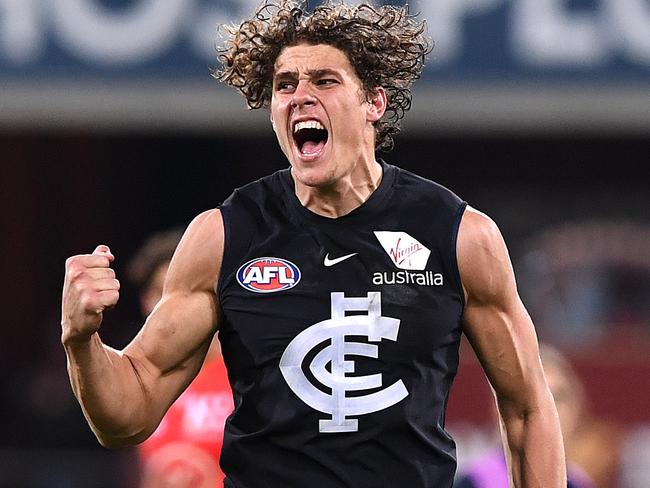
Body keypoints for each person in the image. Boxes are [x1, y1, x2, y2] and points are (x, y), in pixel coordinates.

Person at [60, 1, 566, 487]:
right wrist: (81, 341)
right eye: (285, 85)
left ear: (374, 102)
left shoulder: (458, 235)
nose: (301, 95)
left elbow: (527, 410)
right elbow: (127, 416)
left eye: (325, 80)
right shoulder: (224, 235)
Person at [126, 230, 233, 488]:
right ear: (145, 302)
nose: (170, 308)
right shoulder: (137, 381)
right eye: (159, 293)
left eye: (180, 294)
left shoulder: (246, 376)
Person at [455, 344, 606, 488]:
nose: (548, 412)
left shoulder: (579, 484)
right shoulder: (472, 483)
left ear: (576, 409)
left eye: (558, 398)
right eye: (532, 399)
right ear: (499, 410)